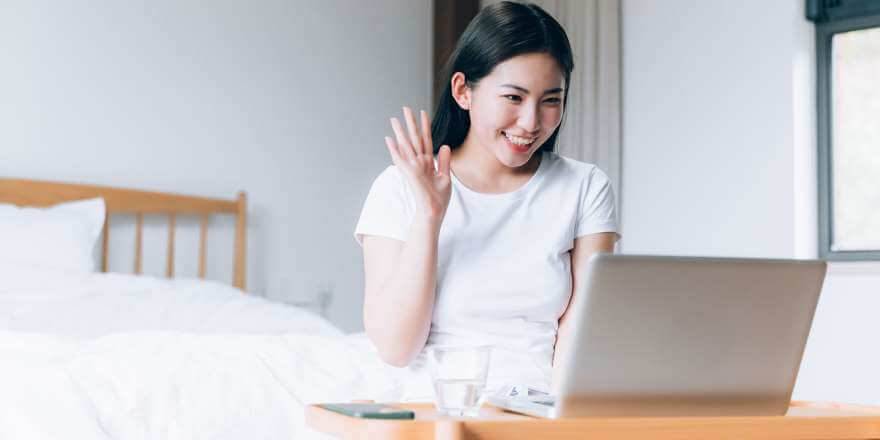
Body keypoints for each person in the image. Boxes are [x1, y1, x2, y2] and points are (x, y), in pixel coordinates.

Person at [355, 1, 619, 395]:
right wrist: (429, 215)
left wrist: (559, 427)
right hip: (433, 411)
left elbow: (580, 341)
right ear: (463, 91)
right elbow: (396, 348)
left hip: (536, 413)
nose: (531, 122)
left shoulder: (584, 187)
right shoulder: (398, 188)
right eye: (514, 97)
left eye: (551, 100)